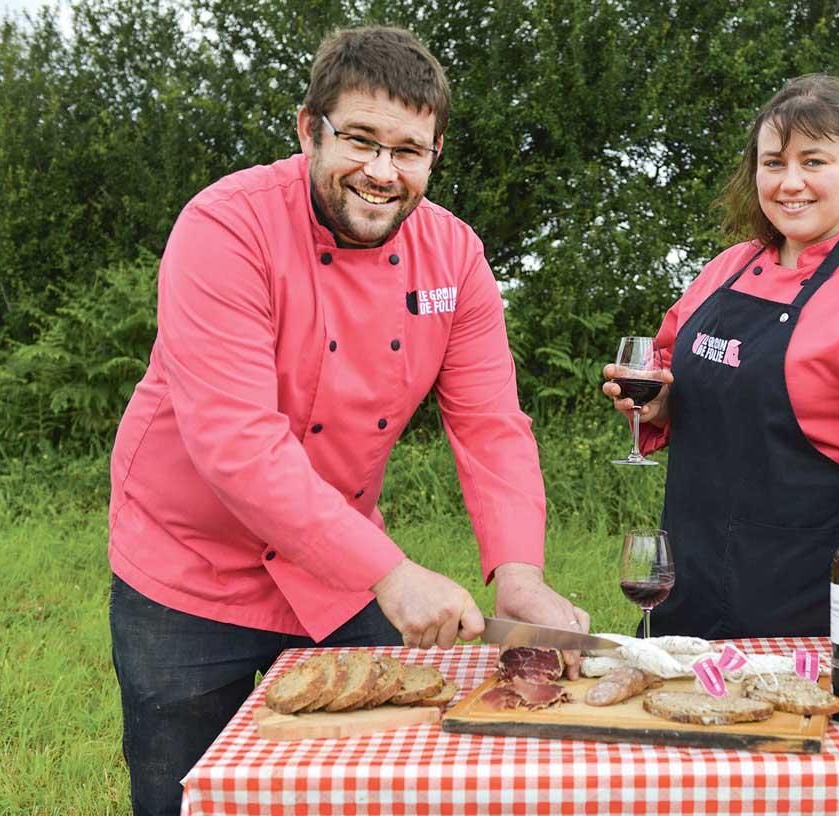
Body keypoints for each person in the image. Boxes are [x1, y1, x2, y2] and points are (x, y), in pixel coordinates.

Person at [108, 26, 588, 816]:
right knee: (180, 797)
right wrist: (392, 573)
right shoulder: (224, 227)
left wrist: (519, 575)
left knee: (370, 787)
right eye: (360, 140)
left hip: (331, 568)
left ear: (434, 155)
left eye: (410, 151)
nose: (381, 171)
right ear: (309, 129)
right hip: (187, 571)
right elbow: (238, 443)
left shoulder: (456, 258)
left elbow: (490, 425)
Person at [603, 74, 839, 640]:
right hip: (689, 592)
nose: (791, 183)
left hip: (814, 611)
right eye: (774, 163)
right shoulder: (727, 269)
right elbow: (674, 383)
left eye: (814, 161)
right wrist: (656, 404)